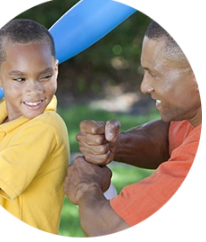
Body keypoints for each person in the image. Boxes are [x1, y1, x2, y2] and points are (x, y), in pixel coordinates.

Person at [64, 21, 202, 236]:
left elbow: (108, 228)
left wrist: (84, 186)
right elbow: (170, 136)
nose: (144, 86)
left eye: (154, 74)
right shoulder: (193, 115)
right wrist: (115, 145)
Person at [0, 19, 70, 234]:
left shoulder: (46, 127)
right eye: (19, 79)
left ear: (56, 70)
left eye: (45, 76)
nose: (35, 90)